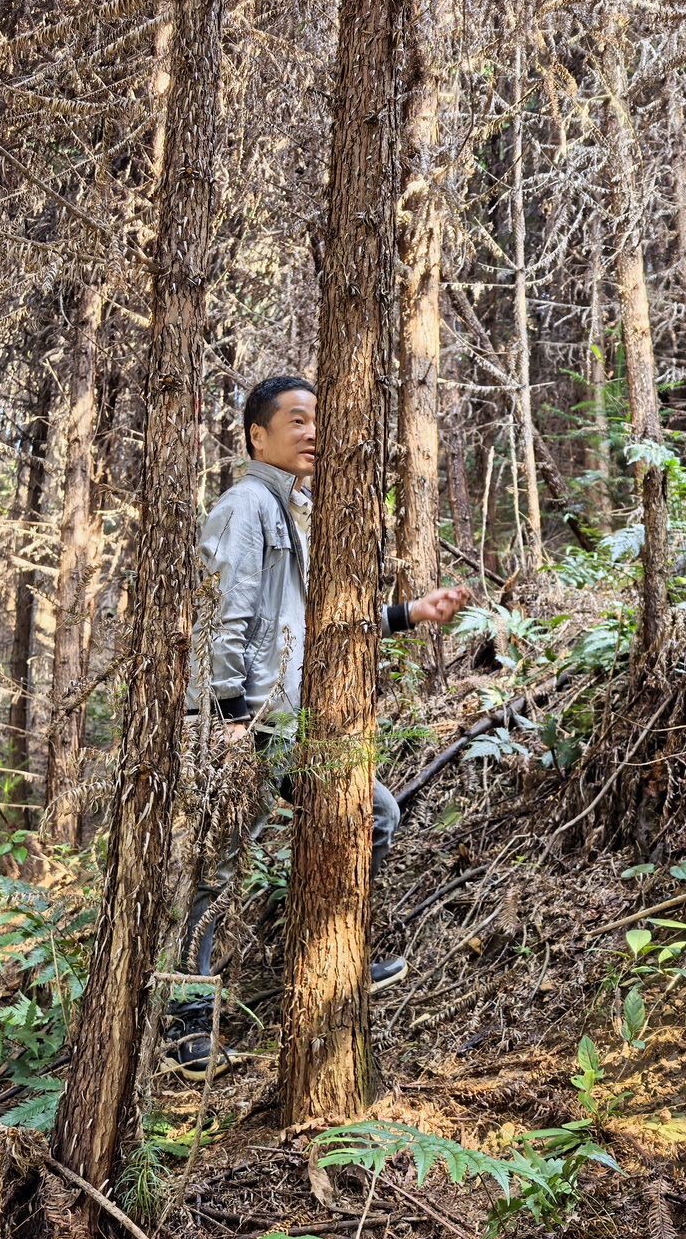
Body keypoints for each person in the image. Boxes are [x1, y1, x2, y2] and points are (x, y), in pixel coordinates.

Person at [165, 374, 470, 1077]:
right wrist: (229, 718)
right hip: (241, 722)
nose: (312, 433)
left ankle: (329, 967)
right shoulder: (246, 505)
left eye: (318, 421)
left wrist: (408, 614)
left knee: (371, 813)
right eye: (296, 420)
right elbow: (225, 617)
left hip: (282, 722)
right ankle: (189, 1029)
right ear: (257, 436)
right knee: (211, 869)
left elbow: (305, 626)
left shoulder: (291, 512)